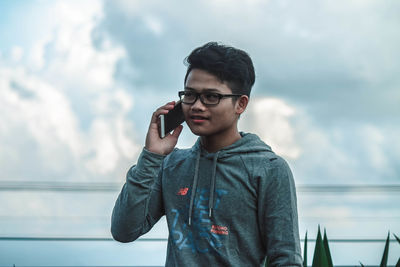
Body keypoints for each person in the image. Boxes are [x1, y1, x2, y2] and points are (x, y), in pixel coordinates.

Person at [111, 42, 302, 266]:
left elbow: (286, 259)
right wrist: (151, 156)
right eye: (190, 95)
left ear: (240, 104)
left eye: (211, 97)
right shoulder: (172, 166)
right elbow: (124, 230)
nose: (197, 106)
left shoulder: (269, 169)